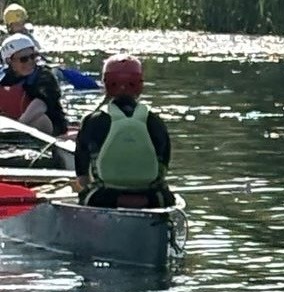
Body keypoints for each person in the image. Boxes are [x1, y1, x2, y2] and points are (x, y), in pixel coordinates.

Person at [73, 54, 175, 209]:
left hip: (103, 198)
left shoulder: (92, 121)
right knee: (166, 196)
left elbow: (82, 178)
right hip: (152, 199)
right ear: (139, 84)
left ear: (106, 83)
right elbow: (163, 168)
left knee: (86, 194)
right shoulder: (156, 122)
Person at [0, 33, 67, 135]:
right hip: (12, 125)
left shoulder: (45, 76)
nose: (30, 62)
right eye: (24, 59)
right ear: (9, 61)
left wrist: (17, 126)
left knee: (39, 119)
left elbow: (40, 105)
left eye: (33, 57)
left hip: (50, 128)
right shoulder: (3, 78)